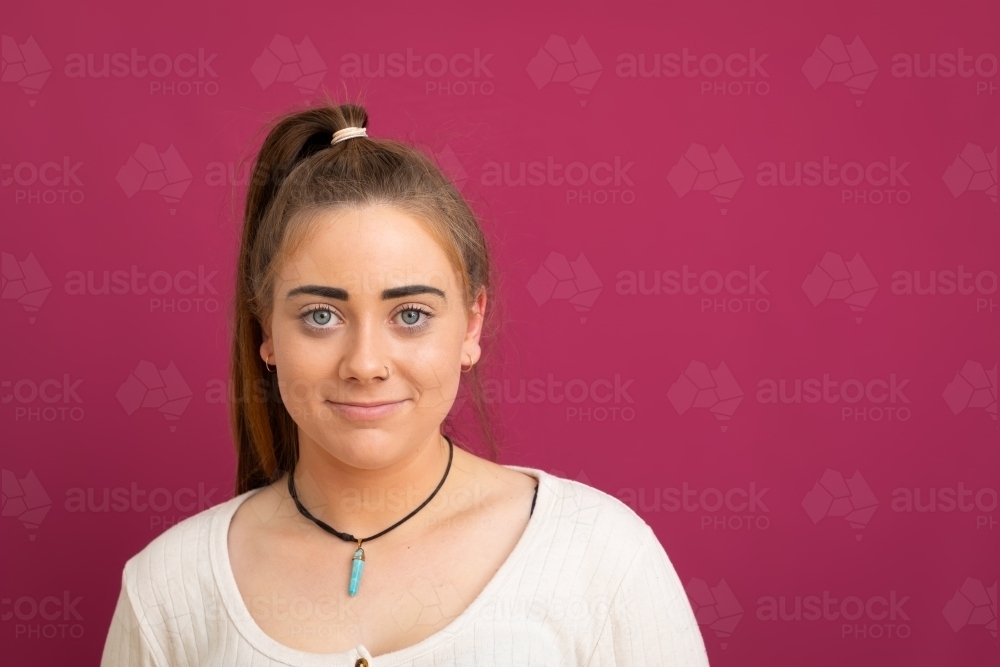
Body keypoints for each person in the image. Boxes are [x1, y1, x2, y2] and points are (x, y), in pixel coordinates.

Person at [99, 101, 710, 667]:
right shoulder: (168, 590)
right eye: (321, 316)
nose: (365, 364)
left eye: (411, 314)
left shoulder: (601, 558)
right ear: (267, 334)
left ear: (471, 325)